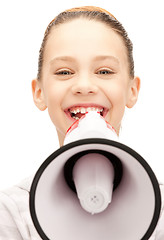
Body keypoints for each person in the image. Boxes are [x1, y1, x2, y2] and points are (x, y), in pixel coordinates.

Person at [0, 6, 163, 240]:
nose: (84, 85)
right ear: (39, 92)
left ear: (132, 90)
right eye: (64, 72)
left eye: (105, 71)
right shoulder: (11, 213)